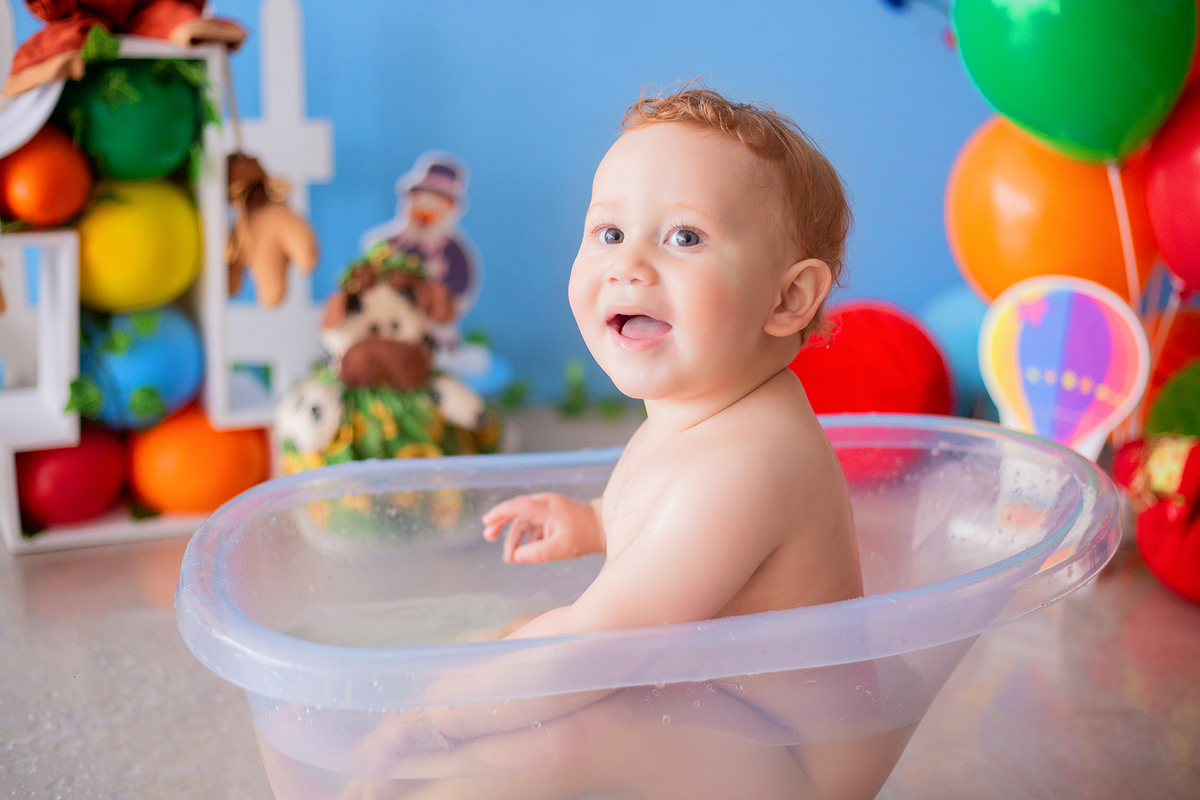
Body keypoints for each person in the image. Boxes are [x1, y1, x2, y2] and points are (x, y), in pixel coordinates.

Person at [342, 85, 879, 800]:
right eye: (609, 233)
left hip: (789, 764)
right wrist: (594, 519)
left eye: (684, 237)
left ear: (786, 299)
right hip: (713, 712)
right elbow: (676, 529)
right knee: (514, 642)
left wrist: (431, 722)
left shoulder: (755, 460)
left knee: (557, 733)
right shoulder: (704, 407)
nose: (629, 266)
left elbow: (594, 652)